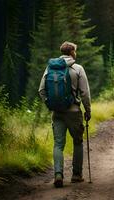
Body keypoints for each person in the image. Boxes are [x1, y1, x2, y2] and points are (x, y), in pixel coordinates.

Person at [38, 41, 91, 188]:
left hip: (57, 112)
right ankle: (76, 175)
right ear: (72, 52)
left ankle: (58, 175)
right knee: (78, 141)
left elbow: (41, 90)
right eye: (75, 51)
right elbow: (85, 93)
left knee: (58, 144)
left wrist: (50, 104)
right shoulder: (78, 68)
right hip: (74, 112)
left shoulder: (50, 67)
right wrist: (88, 110)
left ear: (61, 51)